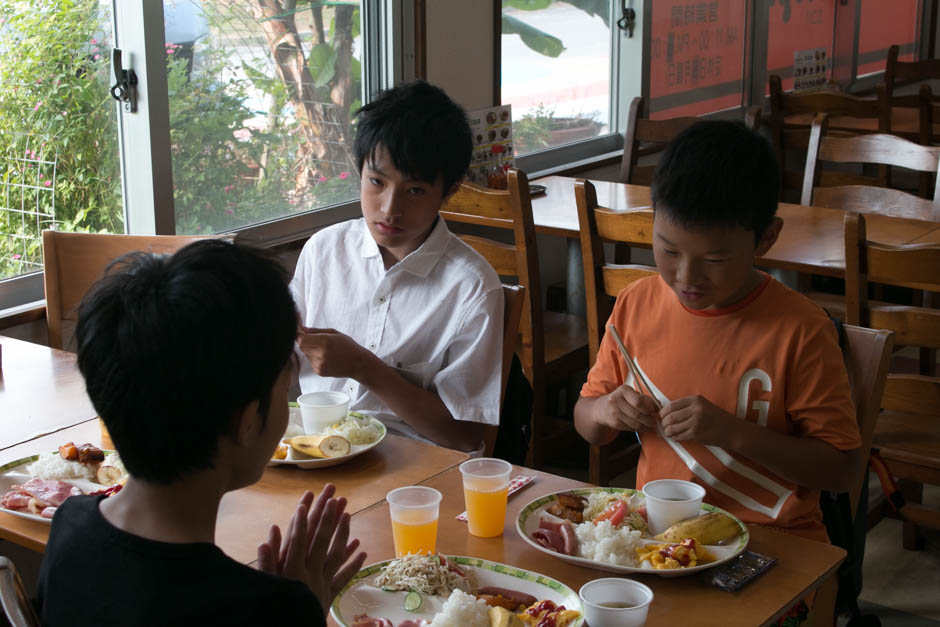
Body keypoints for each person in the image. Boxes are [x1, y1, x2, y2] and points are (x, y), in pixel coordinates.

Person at [36, 240, 366, 625]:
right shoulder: (267, 611)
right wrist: (299, 610)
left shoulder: (69, 525)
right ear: (246, 422)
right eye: (283, 390)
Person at [574, 120, 862, 543]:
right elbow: (588, 421)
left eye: (714, 260)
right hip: (658, 540)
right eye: (669, 250)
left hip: (774, 544)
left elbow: (842, 470)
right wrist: (604, 412)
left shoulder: (800, 330)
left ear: (765, 240)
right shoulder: (636, 304)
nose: (686, 277)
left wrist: (734, 433)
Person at [291, 80, 504, 453]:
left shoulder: (471, 287)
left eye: (416, 191)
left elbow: (467, 435)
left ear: (449, 191)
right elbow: (286, 363)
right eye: (376, 182)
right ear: (359, 171)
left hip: (415, 469)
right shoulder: (323, 252)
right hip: (317, 452)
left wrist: (364, 366)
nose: (389, 209)